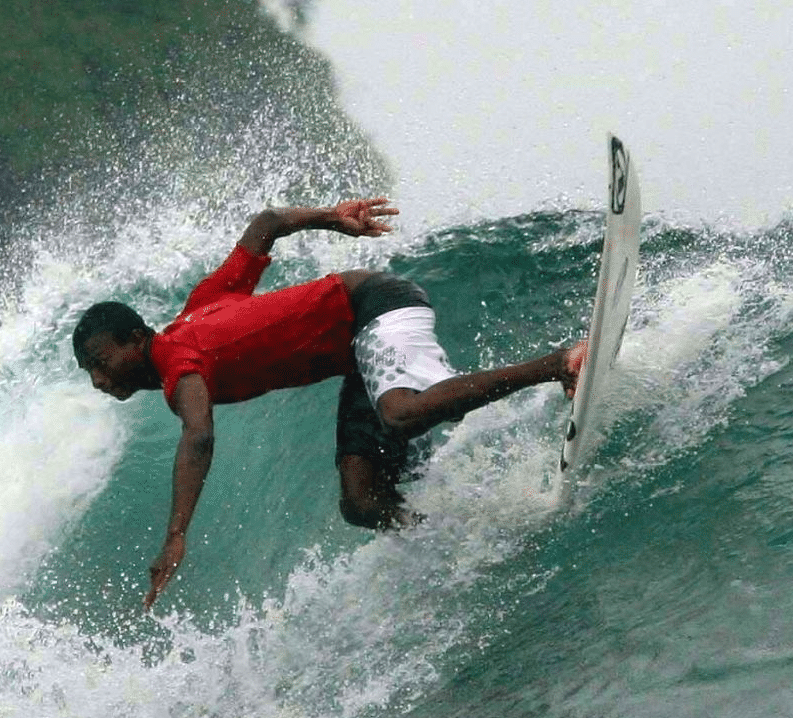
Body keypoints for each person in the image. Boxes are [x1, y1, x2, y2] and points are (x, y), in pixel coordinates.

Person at [73, 198, 586, 609]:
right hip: (359, 353)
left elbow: (199, 434)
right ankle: (468, 536)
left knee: (401, 413)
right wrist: (330, 218)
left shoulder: (177, 359)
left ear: (136, 338)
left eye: (101, 360)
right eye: (89, 371)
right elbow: (266, 224)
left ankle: (559, 364)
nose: (99, 379)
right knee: (361, 503)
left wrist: (177, 535)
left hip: (374, 306)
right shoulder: (202, 305)